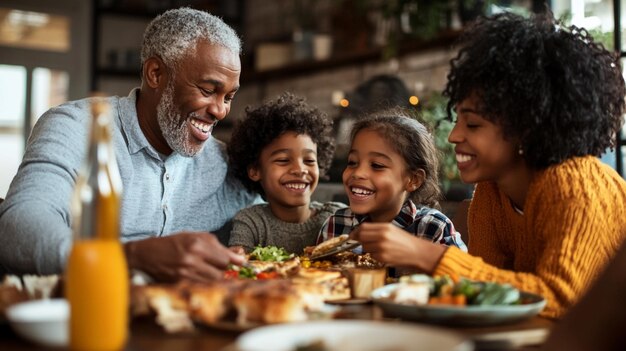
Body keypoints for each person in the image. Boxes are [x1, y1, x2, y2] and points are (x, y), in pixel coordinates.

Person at [352, 12, 626, 318]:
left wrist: (428, 255)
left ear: (527, 128)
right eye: (458, 120)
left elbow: (563, 299)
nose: (454, 136)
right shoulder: (489, 194)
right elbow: (489, 295)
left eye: (473, 124)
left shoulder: (577, 185)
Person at [0, 8, 261, 282]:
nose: (220, 111)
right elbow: (16, 229)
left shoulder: (223, 163)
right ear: (156, 74)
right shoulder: (76, 127)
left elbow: (282, 214)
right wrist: (131, 256)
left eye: (229, 96)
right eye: (208, 91)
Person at [317, 110, 467, 269]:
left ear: (413, 180)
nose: (358, 173)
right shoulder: (336, 224)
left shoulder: (434, 228)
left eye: (377, 166)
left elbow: (468, 281)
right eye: (352, 162)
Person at [227, 92, 345, 255]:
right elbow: (239, 269)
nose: (300, 169)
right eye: (283, 160)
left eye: (309, 160)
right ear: (255, 170)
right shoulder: (251, 222)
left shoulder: (338, 217)